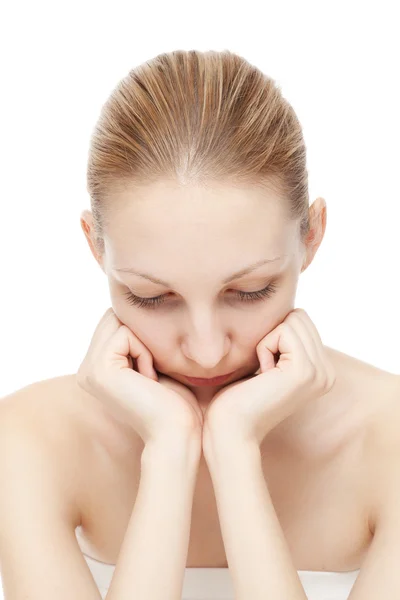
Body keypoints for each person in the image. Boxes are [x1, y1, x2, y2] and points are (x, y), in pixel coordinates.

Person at [1, 49, 399, 600]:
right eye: (151, 297)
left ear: (311, 236)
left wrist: (235, 451)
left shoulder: (391, 440)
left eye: (249, 292)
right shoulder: (26, 441)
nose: (207, 351)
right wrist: (169, 450)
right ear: (95, 247)